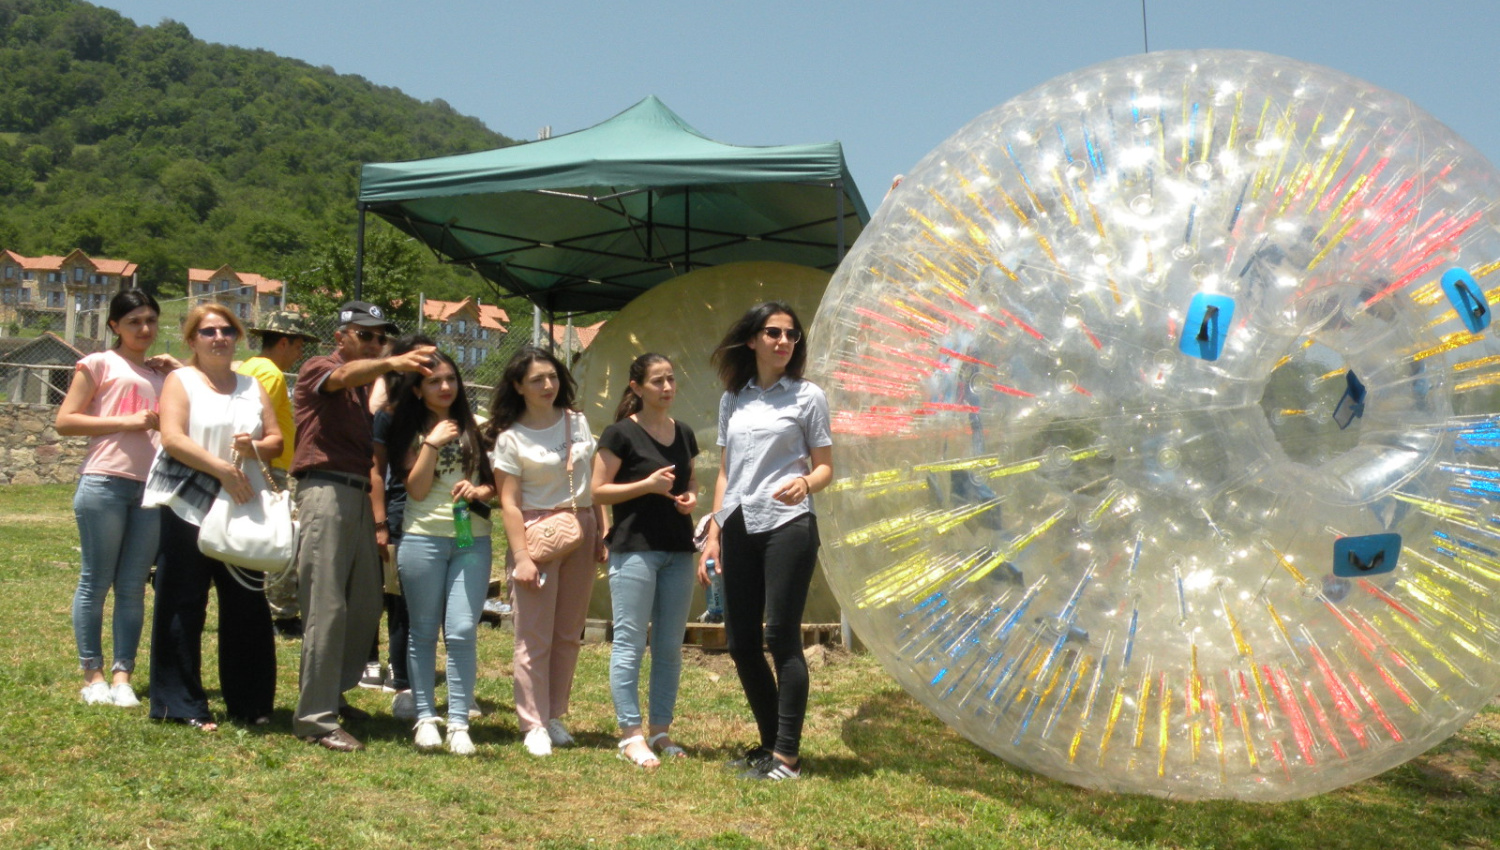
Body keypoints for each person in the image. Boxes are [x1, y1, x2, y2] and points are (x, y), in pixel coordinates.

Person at [290, 301, 435, 752]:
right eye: (365, 334)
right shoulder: (319, 368)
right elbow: (342, 376)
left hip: (356, 494)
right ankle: (315, 719)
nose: (375, 343)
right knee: (326, 606)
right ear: (341, 336)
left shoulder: (367, 390)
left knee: (367, 602)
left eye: (381, 337)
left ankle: (332, 693)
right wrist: (390, 363)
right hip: (325, 490)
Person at [699, 301, 833, 781]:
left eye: (791, 335)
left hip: (788, 524)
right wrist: (713, 532)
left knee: (780, 636)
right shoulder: (732, 398)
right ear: (753, 339)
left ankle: (788, 758)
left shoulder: (808, 396)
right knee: (740, 642)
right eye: (774, 332)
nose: (783, 341)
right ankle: (771, 744)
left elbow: (825, 467)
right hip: (738, 523)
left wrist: (806, 483)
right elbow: (726, 472)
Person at [142, 304, 282, 729]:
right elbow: (172, 438)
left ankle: (251, 703)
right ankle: (179, 704)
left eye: (227, 330)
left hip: (242, 506)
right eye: (208, 332)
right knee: (182, 602)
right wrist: (222, 469)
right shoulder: (181, 380)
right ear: (192, 340)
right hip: (188, 503)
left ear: (237, 337)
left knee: (246, 604)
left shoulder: (253, 386)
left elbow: (276, 441)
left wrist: (254, 447)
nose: (219, 338)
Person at [55, 289, 179, 707]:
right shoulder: (98, 363)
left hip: (151, 489)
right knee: (95, 581)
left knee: (132, 586)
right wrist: (128, 421)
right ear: (114, 326)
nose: (144, 329)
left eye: (150, 321)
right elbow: (65, 421)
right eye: (133, 322)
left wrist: (178, 369)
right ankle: (92, 676)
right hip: (104, 482)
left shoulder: (164, 375)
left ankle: (123, 675)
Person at [488, 346, 606, 757]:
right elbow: (508, 503)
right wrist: (520, 556)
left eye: (552, 376)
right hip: (536, 534)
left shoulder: (577, 422)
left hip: (582, 526)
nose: (547, 385)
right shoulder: (510, 438)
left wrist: (602, 529)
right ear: (517, 386)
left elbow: (592, 482)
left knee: (568, 633)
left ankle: (554, 714)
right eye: (536, 379)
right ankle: (533, 723)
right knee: (533, 635)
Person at [591, 353, 699, 769]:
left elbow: (691, 481)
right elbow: (597, 491)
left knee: (669, 646)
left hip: (677, 550)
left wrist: (690, 499)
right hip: (634, 549)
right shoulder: (619, 433)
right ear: (636, 387)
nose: (667, 387)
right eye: (657, 381)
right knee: (630, 643)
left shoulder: (684, 432)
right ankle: (631, 735)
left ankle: (660, 731)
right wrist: (646, 486)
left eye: (671, 379)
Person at [387, 350, 495, 754]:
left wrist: (478, 490)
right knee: (423, 630)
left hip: (471, 538)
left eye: (451, 379)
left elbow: (497, 484)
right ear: (418, 389)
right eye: (434, 381)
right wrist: (431, 444)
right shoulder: (407, 428)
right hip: (422, 538)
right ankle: (425, 717)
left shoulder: (478, 426)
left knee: (463, 630)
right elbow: (415, 490)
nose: (445, 386)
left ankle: (459, 722)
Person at [237, 310, 319, 639]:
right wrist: (267, 468)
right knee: (283, 538)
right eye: (298, 345)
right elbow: (256, 421)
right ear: (283, 342)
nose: (300, 353)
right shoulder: (269, 374)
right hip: (270, 466)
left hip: (262, 463)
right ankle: (282, 612)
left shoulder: (249, 367)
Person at [369, 335, 435, 721]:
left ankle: (433, 679)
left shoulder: (447, 413)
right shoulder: (389, 414)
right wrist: (380, 524)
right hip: (399, 515)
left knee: (440, 605)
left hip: (446, 519)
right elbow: (375, 471)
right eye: (419, 362)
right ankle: (403, 683)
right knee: (402, 603)